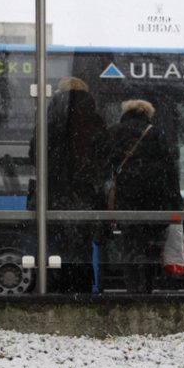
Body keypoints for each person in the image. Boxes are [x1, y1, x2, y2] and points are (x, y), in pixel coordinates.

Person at [27, 76, 107, 293]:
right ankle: (80, 292)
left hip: (53, 196)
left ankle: (55, 291)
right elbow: (103, 161)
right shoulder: (96, 121)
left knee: (54, 248)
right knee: (80, 249)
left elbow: (34, 156)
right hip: (84, 198)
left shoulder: (47, 120)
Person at [100, 99, 183, 293]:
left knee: (131, 245)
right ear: (147, 114)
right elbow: (170, 171)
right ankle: (148, 288)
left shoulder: (114, 132)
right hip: (154, 201)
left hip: (127, 201)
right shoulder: (156, 134)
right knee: (152, 247)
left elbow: (104, 165)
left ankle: (132, 289)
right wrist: (174, 202)